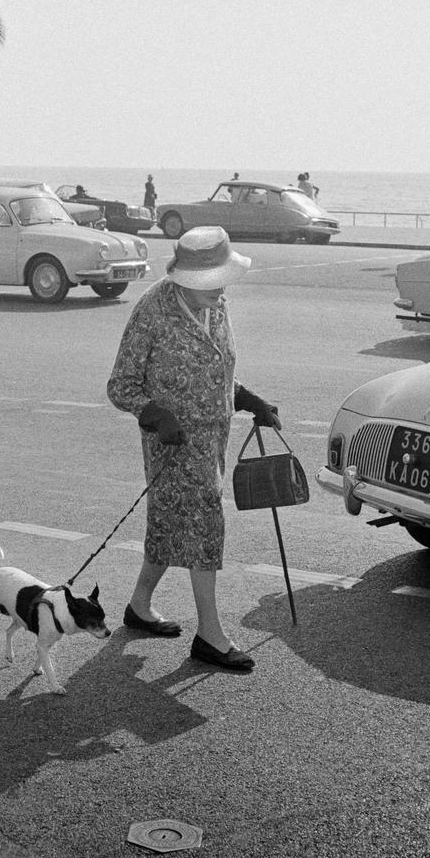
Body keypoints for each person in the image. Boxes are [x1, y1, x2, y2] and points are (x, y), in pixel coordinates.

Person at [107, 225, 280, 672]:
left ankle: (139, 607)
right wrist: (156, 415)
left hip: (212, 440)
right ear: (184, 279)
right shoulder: (154, 311)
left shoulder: (216, 306)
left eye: (221, 280)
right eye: (210, 282)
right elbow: (120, 385)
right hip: (173, 445)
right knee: (204, 525)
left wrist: (246, 398)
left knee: (170, 524)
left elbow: (215, 369)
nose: (220, 290)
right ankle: (210, 634)